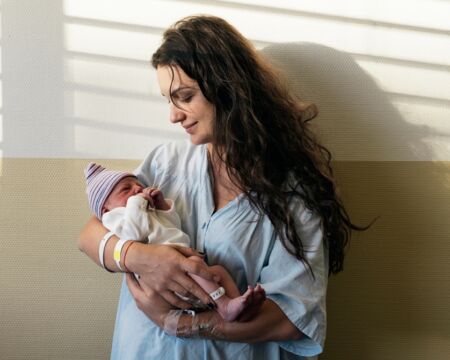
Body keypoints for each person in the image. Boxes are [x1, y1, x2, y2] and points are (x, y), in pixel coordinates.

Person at [78, 15, 365, 359]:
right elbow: (91, 234)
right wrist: (139, 256)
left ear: (227, 87)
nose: (173, 115)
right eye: (168, 100)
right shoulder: (164, 164)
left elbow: (290, 318)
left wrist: (174, 322)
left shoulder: (293, 192)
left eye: (184, 96)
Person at [84, 162, 266, 322]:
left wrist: (162, 207)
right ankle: (224, 305)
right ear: (105, 208)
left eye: (138, 185)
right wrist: (136, 203)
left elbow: (173, 228)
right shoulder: (114, 218)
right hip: (166, 275)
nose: (137, 189)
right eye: (126, 189)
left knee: (218, 271)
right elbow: (133, 235)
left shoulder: (141, 210)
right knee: (196, 266)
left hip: (183, 259)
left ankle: (235, 303)